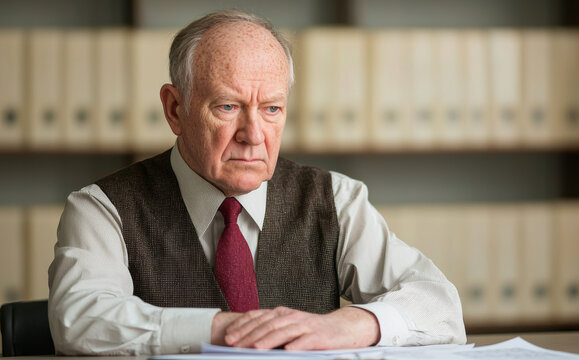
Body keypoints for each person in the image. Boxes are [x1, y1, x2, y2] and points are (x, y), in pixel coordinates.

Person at [48, 10, 466, 355]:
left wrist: (357, 325)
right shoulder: (103, 207)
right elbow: (79, 317)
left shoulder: (336, 200)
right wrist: (228, 330)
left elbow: (440, 304)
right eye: (228, 106)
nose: (253, 134)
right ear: (175, 109)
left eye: (271, 109)